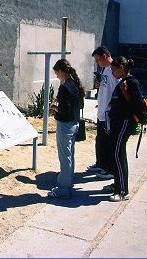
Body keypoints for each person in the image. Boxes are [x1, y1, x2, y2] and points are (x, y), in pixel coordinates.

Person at [107, 57, 145, 202]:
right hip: (117, 123)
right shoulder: (123, 82)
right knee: (115, 153)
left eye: (113, 70)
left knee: (118, 154)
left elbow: (139, 104)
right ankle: (117, 184)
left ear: (121, 67)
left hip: (124, 123)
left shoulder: (131, 82)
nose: (112, 73)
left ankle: (123, 191)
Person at [48, 59, 85, 199]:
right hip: (74, 124)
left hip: (65, 125)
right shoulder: (76, 84)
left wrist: (55, 109)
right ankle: (68, 183)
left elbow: (64, 110)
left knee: (65, 158)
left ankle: (63, 189)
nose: (57, 76)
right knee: (70, 156)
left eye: (57, 73)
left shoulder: (64, 87)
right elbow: (79, 105)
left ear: (61, 71)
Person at [89, 46, 120, 180]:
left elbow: (118, 90)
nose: (97, 63)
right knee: (100, 141)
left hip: (109, 113)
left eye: (97, 60)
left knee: (108, 142)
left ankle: (109, 169)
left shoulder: (114, 70)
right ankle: (101, 164)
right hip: (101, 112)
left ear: (104, 56)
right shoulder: (105, 69)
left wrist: (112, 108)